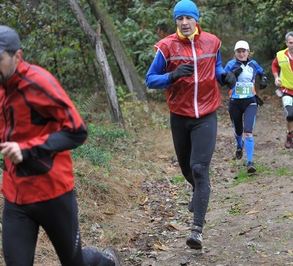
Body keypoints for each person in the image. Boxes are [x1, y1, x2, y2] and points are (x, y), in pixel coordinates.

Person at [0, 25, 121, 266]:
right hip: (16, 196)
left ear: (18, 56)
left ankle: (104, 261)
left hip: (53, 192)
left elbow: (77, 132)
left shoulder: (38, 83)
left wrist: (26, 149)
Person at [145, 0, 235, 250]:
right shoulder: (166, 47)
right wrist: (172, 76)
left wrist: (224, 77)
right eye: (179, 18)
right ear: (175, 21)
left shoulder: (212, 42)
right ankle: (201, 193)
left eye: (188, 18)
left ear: (196, 20)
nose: (184, 23)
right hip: (180, 115)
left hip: (206, 114)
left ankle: (197, 230)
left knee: (198, 168)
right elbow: (150, 80)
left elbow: (216, 69)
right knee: (187, 169)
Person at [224, 40, 267, 173]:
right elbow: (223, 80)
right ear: (235, 53)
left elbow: (261, 72)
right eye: (239, 52)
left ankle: (250, 162)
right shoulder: (230, 65)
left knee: (248, 131)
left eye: (244, 51)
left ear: (248, 52)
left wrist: (264, 79)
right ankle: (238, 145)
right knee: (238, 131)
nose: (241, 54)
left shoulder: (253, 64)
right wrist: (232, 75)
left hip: (250, 101)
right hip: (235, 102)